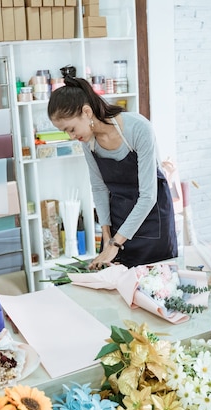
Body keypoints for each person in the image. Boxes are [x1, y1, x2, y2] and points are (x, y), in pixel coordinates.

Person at [47, 76, 177, 269]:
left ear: (87, 111)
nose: (72, 137)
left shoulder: (138, 128)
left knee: (157, 285)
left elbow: (148, 196)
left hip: (153, 220)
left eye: (71, 129)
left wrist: (116, 242)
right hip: (119, 221)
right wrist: (107, 236)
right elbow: (99, 188)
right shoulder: (88, 141)